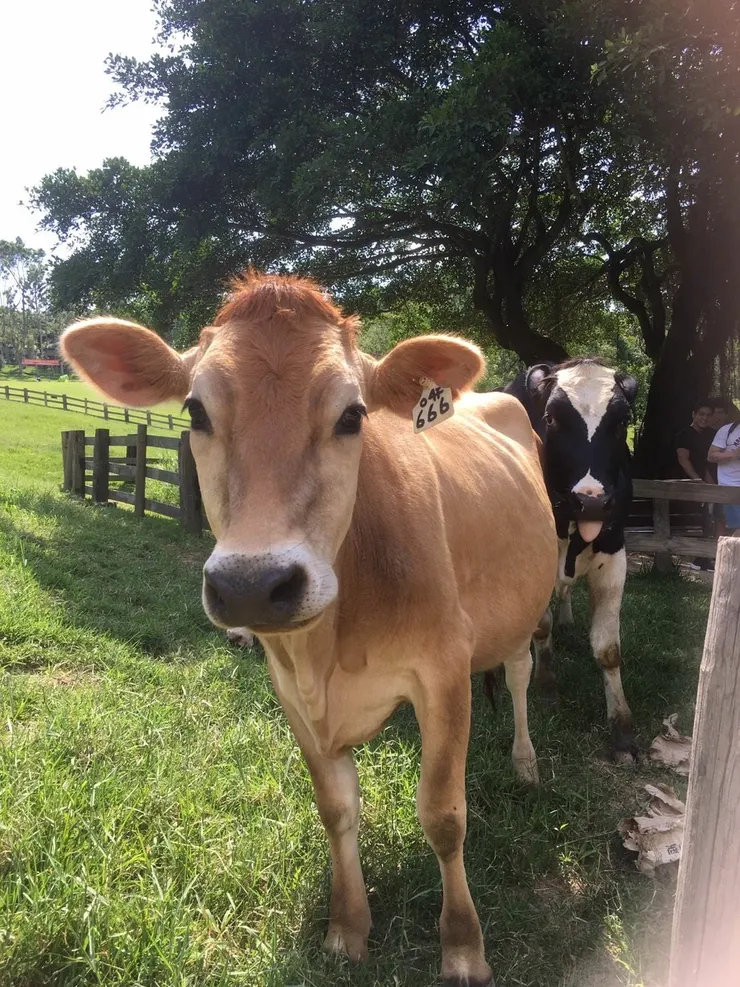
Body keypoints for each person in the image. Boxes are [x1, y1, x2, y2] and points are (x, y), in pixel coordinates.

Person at [675, 402, 715, 570]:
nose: (704, 418)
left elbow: (705, 463)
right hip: (686, 483)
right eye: (701, 414)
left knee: (707, 519)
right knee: (688, 521)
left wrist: (709, 484)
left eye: (707, 415)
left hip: (704, 482)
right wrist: (696, 480)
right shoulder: (684, 434)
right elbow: (683, 459)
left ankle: (702, 559)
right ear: (694, 414)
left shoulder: (710, 436)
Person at [708, 417, 740, 535]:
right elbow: (711, 456)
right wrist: (734, 454)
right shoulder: (727, 431)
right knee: (738, 528)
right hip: (731, 486)